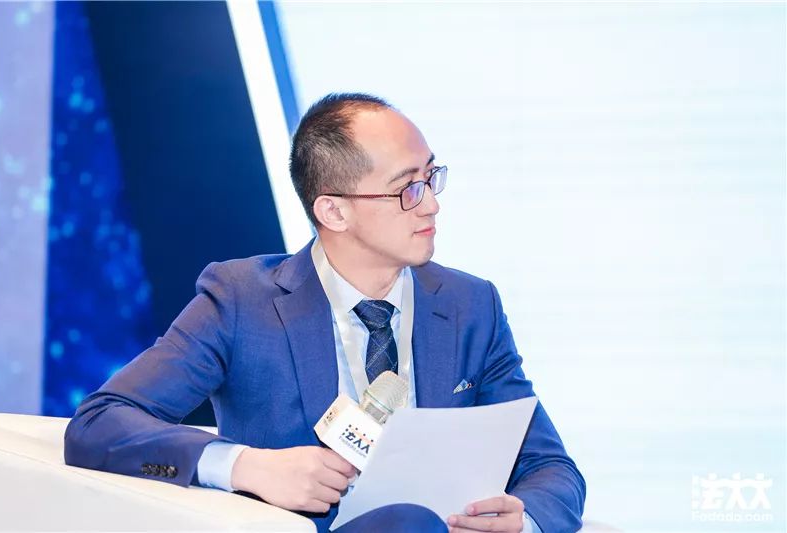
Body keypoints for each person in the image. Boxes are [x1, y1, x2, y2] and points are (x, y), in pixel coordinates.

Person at [65, 93, 586, 533]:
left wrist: (523, 520)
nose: (430, 204)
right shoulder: (242, 300)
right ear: (333, 210)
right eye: (407, 188)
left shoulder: (470, 305)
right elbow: (98, 424)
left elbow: (551, 468)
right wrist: (246, 466)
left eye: (431, 177)